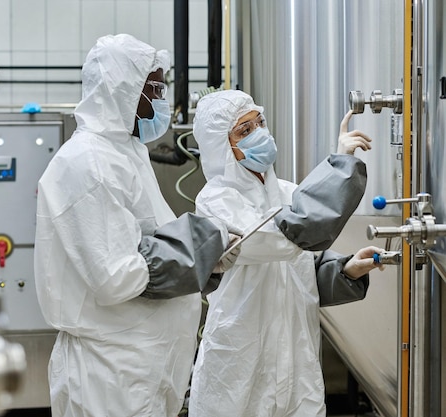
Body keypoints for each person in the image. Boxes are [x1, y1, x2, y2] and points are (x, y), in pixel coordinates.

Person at [33, 34, 240, 417]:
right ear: (123, 88)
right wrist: (198, 246)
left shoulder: (126, 152)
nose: (162, 99)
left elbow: (148, 239)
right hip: (111, 375)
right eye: (156, 87)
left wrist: (206, 258)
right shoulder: (89, 164)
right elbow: (117, 275)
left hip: (141, 364)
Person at [187, 89, 385, 417]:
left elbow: (300, 268)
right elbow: (283, 240)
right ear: (222, 146)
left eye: (259, 122)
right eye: (245, 130)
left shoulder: (289, 192)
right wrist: (338, 167)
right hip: (242, 369)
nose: (259, 133)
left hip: (297, 365)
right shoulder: (216, 202)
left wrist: (346, 269)